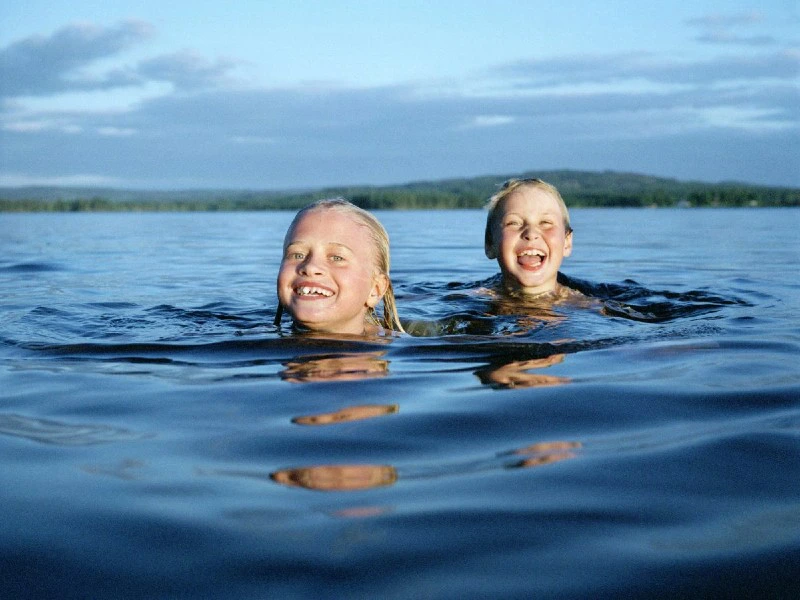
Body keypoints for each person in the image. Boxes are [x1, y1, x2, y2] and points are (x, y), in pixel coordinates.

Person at [275, 198, 404, 336]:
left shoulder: (406, 350)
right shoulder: (253, 341)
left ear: (375, 289)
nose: (311, 267)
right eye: (298, 255)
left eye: (337, 258)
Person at [484, 178, 574, 299]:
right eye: (513, 223)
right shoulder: (463, 301)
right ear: (490, 243)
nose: (531, 233)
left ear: (567, 243)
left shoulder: (595, 307)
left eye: (545, 222)